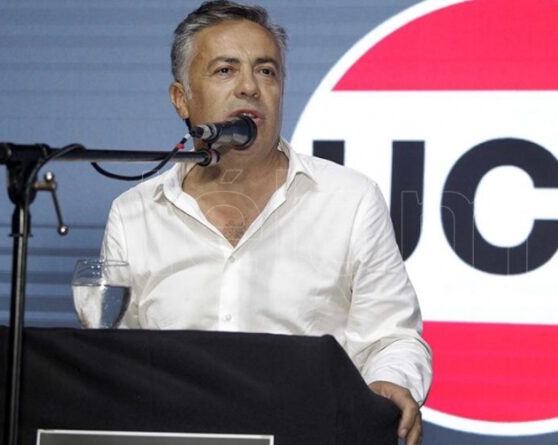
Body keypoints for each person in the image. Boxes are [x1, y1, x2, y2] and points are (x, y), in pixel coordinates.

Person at [101, 1, 432, 443]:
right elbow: (113, 357)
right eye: (225, 70)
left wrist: (391, 381)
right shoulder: (134, 213)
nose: (249, 87)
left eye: (266, 71)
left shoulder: (349, 199)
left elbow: (392, 338)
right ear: (182, 99)